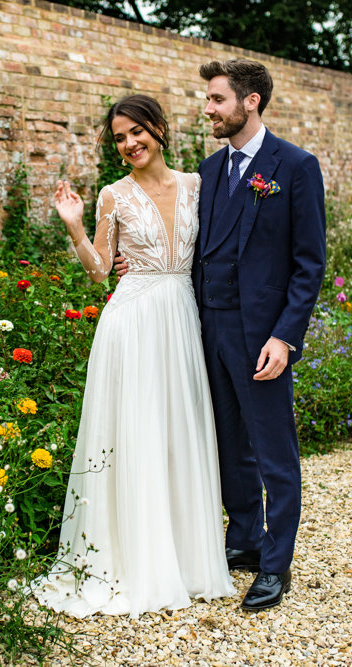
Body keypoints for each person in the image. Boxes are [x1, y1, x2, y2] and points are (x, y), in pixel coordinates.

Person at [117, 59, 326, 611]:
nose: (206, 109)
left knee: (274, 451)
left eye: (216, 100)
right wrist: (135, 264)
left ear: (250, 101)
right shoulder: (207, 173)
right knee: (228, 445)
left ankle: (276, 566)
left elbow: (309, 265)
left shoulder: (295, 167)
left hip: (261, 338)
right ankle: (246, 541)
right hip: (205, 330)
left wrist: (285, 337)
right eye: (207, 100)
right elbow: (180, 238)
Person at [32, 95, 235, 618]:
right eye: (119, 138)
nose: (129, 144)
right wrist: (75, 227)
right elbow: (100, 271)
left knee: (179, 433)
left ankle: (187, 559)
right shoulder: (112, 195)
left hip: (183, 320)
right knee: (138, 434)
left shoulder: (198, 185)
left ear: (160, 128)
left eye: (136, 132)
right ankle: (137, 561)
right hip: (133, 321)